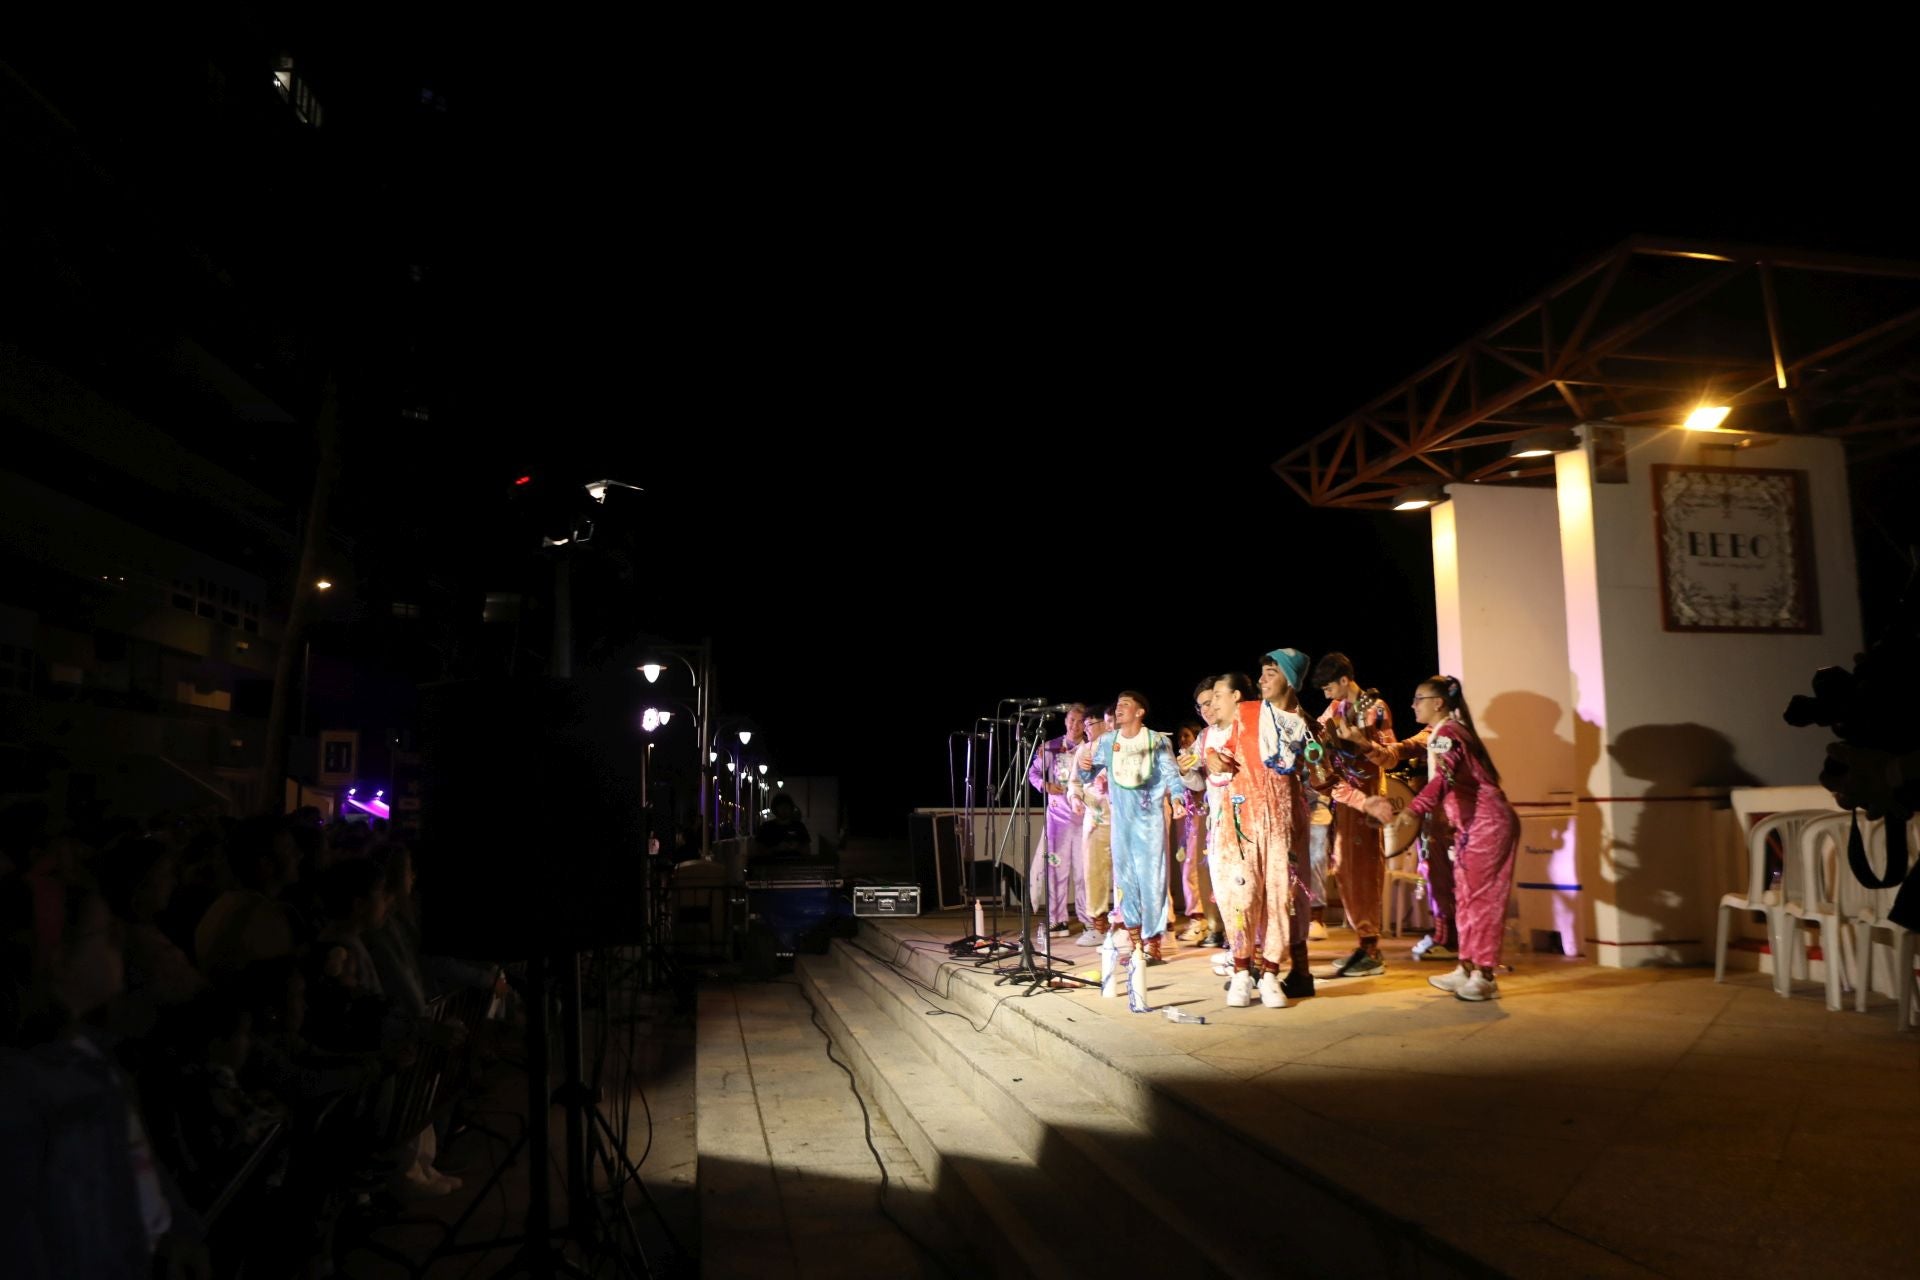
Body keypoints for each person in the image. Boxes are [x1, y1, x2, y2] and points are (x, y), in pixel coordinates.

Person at [1356, 675, 1519, 1002]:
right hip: (1471, 827)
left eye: (1419, 698)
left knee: (1482, 900)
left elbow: (1441, 780)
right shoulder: (1445, 733)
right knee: (1467, 898)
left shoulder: (1449, 733)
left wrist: (1412, 811)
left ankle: (1485, 974)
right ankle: (1467, 965)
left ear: (1438, 703)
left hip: (1488, 824)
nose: (1413, 704)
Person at [1078, 691, 1188, 1011]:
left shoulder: (1155, 741)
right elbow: (1088, 773)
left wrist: (1178, 797)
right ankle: (1137, 942)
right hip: (1121, 823)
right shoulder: (1108, 741)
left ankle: (1154, 944)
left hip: (1150, 819)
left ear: (1140, 711)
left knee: (1151, 881)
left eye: (1126, 704)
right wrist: (1085, 765)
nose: (1120, 709)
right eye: (1118, 705)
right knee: (1126, 883)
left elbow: (1171, 773)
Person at [1311, 652, 1396, 978]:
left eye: (1328, 687)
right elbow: (1315, 736)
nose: (1325, 693)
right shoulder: (1334, 710)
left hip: (1369, 798)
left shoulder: (1375, 708)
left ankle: (1371, 948)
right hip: (1345, 797)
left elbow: (1391, 758)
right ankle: (1363, 943)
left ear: (1344, 680)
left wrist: (1362, 743)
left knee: (1363, 871)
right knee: (1344, 868)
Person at [1027, 704, 1089, 937]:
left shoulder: (1092, 748)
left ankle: (1088, 918)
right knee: (1056, 870)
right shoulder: (1050, 747)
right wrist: (1045, 786)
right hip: (1058, 819)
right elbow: (1032, 773)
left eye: (1081, 721)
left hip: (1084, 819)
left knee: (1083, 873)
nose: (1075, 725)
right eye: (1072, 720)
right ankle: (1058, 919)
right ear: (1065, 721)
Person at [754, 794, 812, 858]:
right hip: (771, 865)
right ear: (775, 809)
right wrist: (776, 849)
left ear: (791, 808)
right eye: (781, 806)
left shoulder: (799, 826)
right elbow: (758, 851)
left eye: (787, 806)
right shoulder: (766, 827)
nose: (784, 809)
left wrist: (797, 847)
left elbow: (807, 851)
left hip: (795, 864)